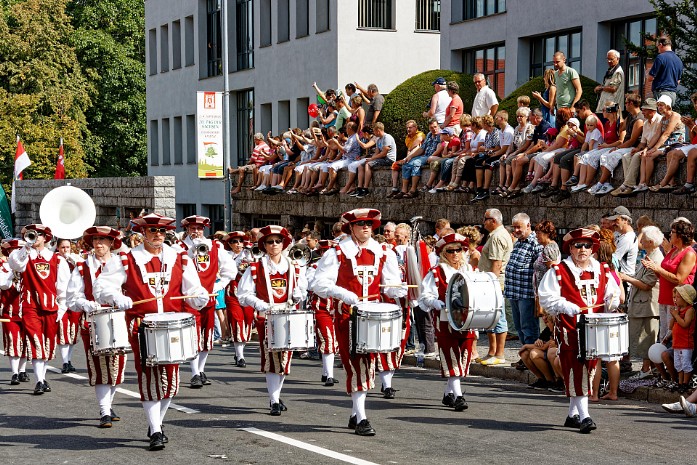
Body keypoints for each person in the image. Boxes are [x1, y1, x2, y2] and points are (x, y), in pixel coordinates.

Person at [93, 213, 209, 451]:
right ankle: (155, 429)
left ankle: (156, 422)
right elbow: (102, 286)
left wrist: (200, 297)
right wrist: (117, 296)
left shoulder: (180, 257)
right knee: (148, 374)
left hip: (173, 324)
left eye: (162, 231)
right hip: (142, 324)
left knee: (171, 380)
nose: (158, 235)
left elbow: (193, 288)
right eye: (152, 231)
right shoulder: (125, 258)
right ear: (142, 233)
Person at [309, 208, 406, 436]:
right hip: (348, 316)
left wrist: (398, 289)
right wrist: (342, 293)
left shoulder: (384, 251)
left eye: (369, 224)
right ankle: (362, 418)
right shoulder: (337, 253)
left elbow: (390, 283)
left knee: (368, 363)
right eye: (361, 223)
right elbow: (318, 283)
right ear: (350, 227)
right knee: (356, 364)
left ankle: (355, 413)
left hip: (373, 315)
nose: (366, 227)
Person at [538, 228, 621, 434]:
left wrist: (613, 300)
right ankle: (585, 416)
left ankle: (572, 415)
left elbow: (613, 293)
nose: (583, 249)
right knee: (576, 367)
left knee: (590, 367)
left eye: (587, 245)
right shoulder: (558, 271)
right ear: (570, 249)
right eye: (578, 245)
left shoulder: (603, 269)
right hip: (570, 328)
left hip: (595, 328)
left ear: (593, 249)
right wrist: (564, 305)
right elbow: (546, 296)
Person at [237, 225, 307, 416]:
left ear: (283, 244)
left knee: (284, 360)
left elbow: (302, 289)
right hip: (266, 318)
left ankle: (275, 395)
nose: (274, 245)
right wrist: (261, 304)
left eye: (278, 241)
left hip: (288, 317)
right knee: (270, 359)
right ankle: (274, 401)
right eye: (270, 242)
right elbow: (243, 294)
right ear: (264, 245)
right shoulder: (255, 267)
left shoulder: (295, 266)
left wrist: (299, 294)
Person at [66, 226, 128, 428]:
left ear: (111, 243)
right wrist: (85, 304)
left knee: (117, 369)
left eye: (102, 240)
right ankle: (104, 410)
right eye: (95, 240)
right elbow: (72, 297)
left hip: (118, 320)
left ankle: (108, 405)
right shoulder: (82, 267)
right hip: (93, 321)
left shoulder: (122, 265)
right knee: (99, 368)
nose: (98, 244)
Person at [8, 224, 71, 395]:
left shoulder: (57, 259)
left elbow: (63, 287)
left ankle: (42, 378)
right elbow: (15, 264)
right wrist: (26, 247)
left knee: (48, 344)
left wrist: (61, 309)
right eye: (32, 234)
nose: (36, 237)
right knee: (36, 341)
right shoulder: (23, 255)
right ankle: (39, 381)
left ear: (46, 238)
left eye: (39, 235)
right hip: (30, 307)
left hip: (51, 307)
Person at [180, 215, 237, 388]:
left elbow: (230, 271)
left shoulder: (215, 246)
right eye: (192, 228)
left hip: (209, 296)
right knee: (193, 334)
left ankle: (201, 369)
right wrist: (191, 251)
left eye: (199, 228)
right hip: (189, 299)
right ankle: (194, 373)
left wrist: (218, 287)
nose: (196, 232)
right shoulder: (180, 247)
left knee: (206, 335)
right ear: (187, 229)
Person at [419, 233, 473, 411]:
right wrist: (437, 303)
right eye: (451, 251)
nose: (456, 254)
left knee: (464, 357)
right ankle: (458, 396)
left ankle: (448, 393)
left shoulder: (469, 270)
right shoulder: (436, 272)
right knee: (451, 357)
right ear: (443, 253)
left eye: (459, 249)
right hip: (445, 321)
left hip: (468, 320)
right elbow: (425, 296)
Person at [619, 225, 663, 379]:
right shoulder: (649, 255)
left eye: (643, 239)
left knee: (646, 338)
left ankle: (646, 369)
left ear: (650, 241)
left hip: (648, 306)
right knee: (642, 338)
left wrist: (626, 278)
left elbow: (646, 284)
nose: (641, 242)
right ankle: (645, 368)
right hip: (641, 303)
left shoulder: (656, 258)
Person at [641, 218, 696, 341]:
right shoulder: (673, 250)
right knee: (663, 336)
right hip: (664, 298)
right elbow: (663, 276)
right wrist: (653, 268)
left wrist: (657, 268)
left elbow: (679, 279)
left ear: (681, 235)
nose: (669, 234)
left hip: (677, 301)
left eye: (672, 232)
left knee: (671, 337)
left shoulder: (689, 253)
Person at [504, 213, 543, 368]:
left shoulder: (535, 243)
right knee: (519, 327)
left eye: (518, 227)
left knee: (529, 328)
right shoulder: (519, 242)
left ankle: (531, 358)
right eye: (514, 227)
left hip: (526, 293)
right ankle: (525, 356)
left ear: (528, 225)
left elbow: (540, 269)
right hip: (514, 292)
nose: (516, 230)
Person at [478, 209, 512, 366]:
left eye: (485, 219)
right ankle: (492, 351)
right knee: (491, 318)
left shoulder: (497, 236)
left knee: (498, 317)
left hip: (494, 282)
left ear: (493, 220)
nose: (483, 222)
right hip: (491, 281)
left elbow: (497, 264)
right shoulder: (496, 235)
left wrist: (490, 284)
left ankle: (500, 353)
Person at [306, 239, 339, 386]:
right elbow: (311, 285)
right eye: (324, 251)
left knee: (334, 340)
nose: (326, 254)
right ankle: (330, 375)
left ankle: (326, 373)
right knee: (327, 339)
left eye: (329, 251)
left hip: (337, 309)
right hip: (321, 308)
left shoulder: (341, 268)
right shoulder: (313, 268)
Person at [0, 240, 29, 386]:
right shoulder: (4, 267)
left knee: (24, 342)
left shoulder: (27, 267)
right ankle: (14, 373)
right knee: (13, 341)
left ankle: (22, 371)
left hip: (27, 311)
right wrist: (13, 272)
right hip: (9, 312)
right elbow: (3, 284)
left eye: (19, 250)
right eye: (13, 250)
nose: (16, 253)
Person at [224, 231, 254, 367]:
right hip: (232, 292)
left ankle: (239, 352)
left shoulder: (249, 254)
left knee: (248, 319)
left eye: (240, 241)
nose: (238, 244)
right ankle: (240, 356)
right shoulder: (227, 256)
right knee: (237, 321)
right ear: (230, 244)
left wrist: (250, 256)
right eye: (235, 241)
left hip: (248, 293)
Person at [54, 239, 82, 373]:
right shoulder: (55, 259)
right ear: (58, 248)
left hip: (75, 298)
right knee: (63, 331)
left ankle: (69, 360)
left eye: (68, 247)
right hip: (62, 299)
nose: (66, 250)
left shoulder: (76, 259)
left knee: (73, 332)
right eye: (63, 247)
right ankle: (64, 361)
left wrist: (72, 260)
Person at [668, 284, 695, 393]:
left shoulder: (690, 310)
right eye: (674, 297)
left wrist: (676, 315)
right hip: (677, 343)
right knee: (678, 365)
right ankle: (680, 383)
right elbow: (670, 326)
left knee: (685, 364)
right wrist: (674, 315)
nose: (675, 300)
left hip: (686, 343)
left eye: (677, 297)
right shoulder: (677, 310)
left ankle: (685, 383)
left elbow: (685, 324)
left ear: (685, 298)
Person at [646, 36, 683, 104]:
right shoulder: (678, 60)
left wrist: (647, 73)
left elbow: (650, 78)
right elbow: (678, 81)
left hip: (661, 92)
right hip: (672, 94)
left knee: (661, 114)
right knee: (668, 114)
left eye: (657, 46)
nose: (658, 49)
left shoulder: (660, 57)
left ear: (660, 45)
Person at [553, 51, 582, 115]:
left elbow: (579, 90)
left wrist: (573, 107)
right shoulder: (556, 73)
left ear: (564, 60)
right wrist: (552, 105)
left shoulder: (571, 72)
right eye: (554, 62)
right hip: (559, 109)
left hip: (569, 109)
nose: (555, 64)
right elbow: (557, 90)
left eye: (557, 62)